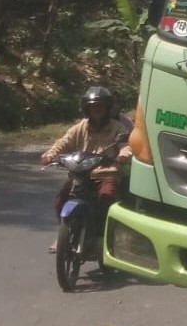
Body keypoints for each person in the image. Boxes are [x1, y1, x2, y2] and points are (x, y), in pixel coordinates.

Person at [40, 85, 133, 249]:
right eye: (92, 106)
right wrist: (50, 154)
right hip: (81, 174)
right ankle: (64, 233)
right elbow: (63, 141)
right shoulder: (81, 126)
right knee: (60, 199)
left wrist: (123, 154)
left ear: (107, 108)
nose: (96, 110)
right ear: (86, 108)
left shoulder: (117, 127)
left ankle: (104, 236)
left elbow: (127, 145)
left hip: (107, 174)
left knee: (106, 197)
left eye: (100, 106)